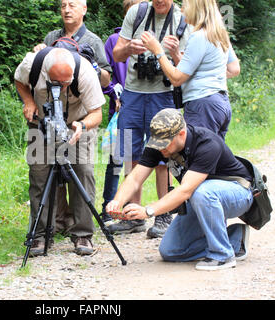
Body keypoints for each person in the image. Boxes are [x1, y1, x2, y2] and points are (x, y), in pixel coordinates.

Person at [106, 109, 253, 271]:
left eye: (164, 144)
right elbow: (135, 178)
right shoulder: (159, 144)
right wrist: (117, 201)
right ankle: (235, 237)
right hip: (201, 198)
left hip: (238, 192)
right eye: (157, 144)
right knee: (171, 251)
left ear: (181, 134)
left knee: (203, 192)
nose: (160, 149)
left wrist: (148, 211)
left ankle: (222, 255)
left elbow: (185, 191)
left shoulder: (206, 143)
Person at [109, 0, 191, 237]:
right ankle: (131, 216)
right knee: (129, 153)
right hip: (133, 93)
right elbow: (117, 54)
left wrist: (173, 53)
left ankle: (163, 215)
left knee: (163, 156)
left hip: (164, 95)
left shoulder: (182, 18)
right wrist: (129, 49)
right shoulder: (137, 12)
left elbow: (186, 67)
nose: (160, 2)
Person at [33, 0, 112, 235]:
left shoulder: (93, 41)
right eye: (63, 5)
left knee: (82, 171)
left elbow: (107, 79)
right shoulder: (51, 37)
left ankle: (82, 230)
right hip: (51, 114)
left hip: (82, 112)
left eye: (73, 5)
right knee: (51, 171)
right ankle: (57, 222)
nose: (67, 10)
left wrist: (92, 67)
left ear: (84, 9)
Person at [15, 47, 105, 256]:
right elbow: (19, 81)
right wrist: (28, 101)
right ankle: (40, 235)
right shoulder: (32, 65)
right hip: (41, 125)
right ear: (46, 72)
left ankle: (83, 234)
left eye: (67, 83)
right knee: (39, 176)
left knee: (82, 172)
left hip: (78, 125)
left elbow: (97, 113)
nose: (63, 88)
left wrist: (81, 126)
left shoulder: (85, 74)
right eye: (57, 83)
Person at [140, 0, 240, 140]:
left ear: (195, 8)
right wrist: (176, 54)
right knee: (214, 157)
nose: (181, 10)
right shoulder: (218, 33)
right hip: (220, 103)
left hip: (202, 106)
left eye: (185, 6)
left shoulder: (199, 36)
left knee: (198, 155)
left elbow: (176, 78)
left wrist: (157, 50)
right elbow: (234, 69)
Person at [99, 0, 148, 223]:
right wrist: (113, 93)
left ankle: (136, 209)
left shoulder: (152, 37)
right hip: (120, 108)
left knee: (149, 158)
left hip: (147, 104)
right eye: (132, 14)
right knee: (119, 158)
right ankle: (108, 207)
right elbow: (105, 72)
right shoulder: (112, 40)